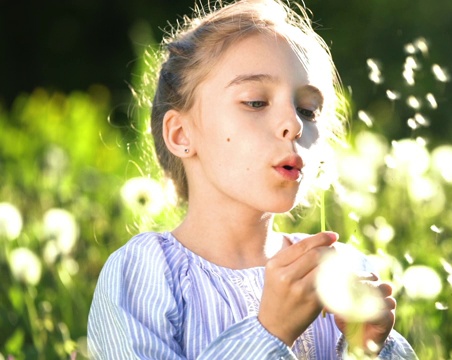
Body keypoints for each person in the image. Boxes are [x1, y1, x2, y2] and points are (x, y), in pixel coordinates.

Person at [88, 0, 418, 358]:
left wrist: (367, 348)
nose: (293, 124)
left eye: (308, 110)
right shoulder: (145, 273)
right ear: (181, 134)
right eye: (256, 102)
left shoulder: (341, 270)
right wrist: (270, 332)